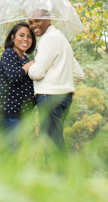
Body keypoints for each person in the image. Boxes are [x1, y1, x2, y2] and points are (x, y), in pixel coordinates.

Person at [22, 9, 84, 156]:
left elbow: (37, 72)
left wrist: (29, 66)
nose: (33, 25)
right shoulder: (62, 40)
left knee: (50, 144)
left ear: (48, 20)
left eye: (38, 21)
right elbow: (78, 75)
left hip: (49, 97)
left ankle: (58, 178)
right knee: (56, 140)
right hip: (64, 98)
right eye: (31, 22)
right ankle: (60, 177)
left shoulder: (48, 39)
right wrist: (59, 77)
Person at [0, 23, 36, 135]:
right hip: (9, 111)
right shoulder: (9, 53)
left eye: (29, 36)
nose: (25, 39)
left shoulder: (25, 59)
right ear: (13, 37)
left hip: (22, 113)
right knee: (13, 149)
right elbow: (14, 76)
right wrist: (28, 65)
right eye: (21, 35)